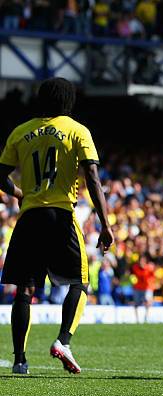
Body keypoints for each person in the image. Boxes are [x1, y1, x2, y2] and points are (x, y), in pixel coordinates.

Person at [0, 77, 113, 375]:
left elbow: (0, 175)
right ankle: (63, 340)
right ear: (68, 101)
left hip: (29, 218)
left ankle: (19, 361)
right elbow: (92, 176)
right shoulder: (77, 130)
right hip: (61, 214)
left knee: (24, 289)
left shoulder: (21, 132)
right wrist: (105, 223)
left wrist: (19, 194)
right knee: (80, 282)